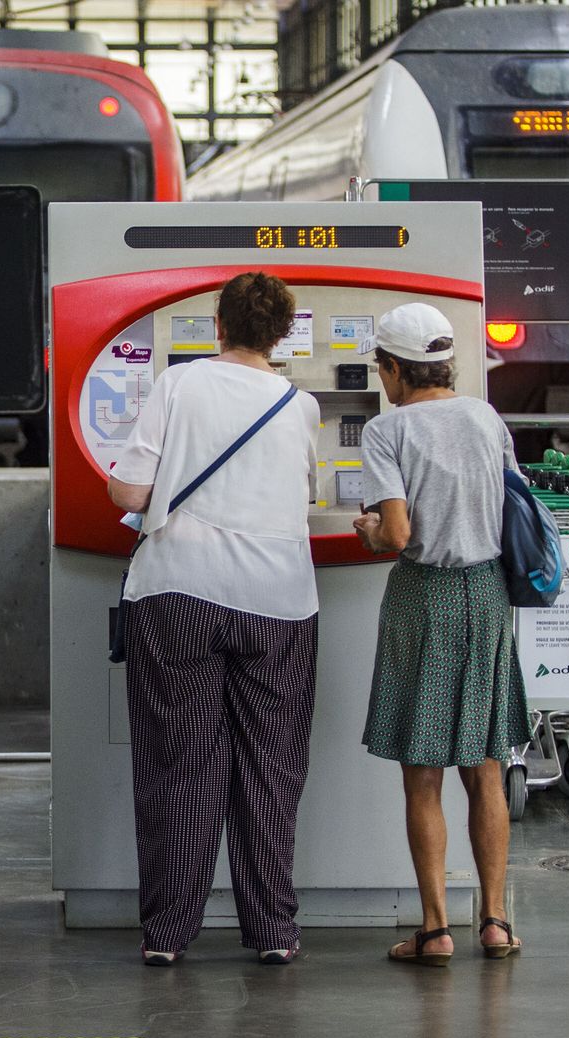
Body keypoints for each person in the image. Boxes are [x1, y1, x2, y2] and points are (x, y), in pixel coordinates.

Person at [107, 271, 321, 966]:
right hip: (279, 603)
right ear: (282, 335)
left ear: (218, 325)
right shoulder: (301, 405)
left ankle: (167, 935)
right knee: (270, 767)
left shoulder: (179, 385)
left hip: (179, 593)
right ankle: (273, 932)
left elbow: (132, 488)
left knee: (182, 764)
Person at [352, 302, 531, 966]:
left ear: (395, 368)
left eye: (381, 368)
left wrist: (370, 531)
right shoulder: (486, 418)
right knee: (484, 766)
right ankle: (495, 920)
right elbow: (511, 502)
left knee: (422, 772)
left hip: (424, 597)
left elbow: (397, 535)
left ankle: (434, 931)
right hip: (487, 595)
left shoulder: (387, 431)